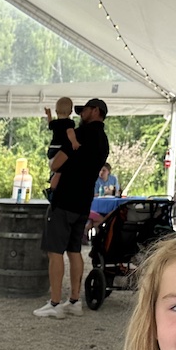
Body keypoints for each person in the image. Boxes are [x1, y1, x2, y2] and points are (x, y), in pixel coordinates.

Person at [35, 98, 110, 319]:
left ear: (95, 111)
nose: (80, 114)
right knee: (74, 250)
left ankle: (55, 303)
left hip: (65, 199)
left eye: (84, 110)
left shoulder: (79, 134)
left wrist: (56, 162)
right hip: (83, 201)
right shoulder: (104, 140)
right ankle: (75, 301)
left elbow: (56, 163)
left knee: (55, 251)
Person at [43, 97, 78, 195]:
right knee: (60, 172)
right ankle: (52, 190)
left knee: (56, 171)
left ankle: (52, 186)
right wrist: (74, 142)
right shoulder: (70, 123)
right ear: (71, 112)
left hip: (52, 149)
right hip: (61, 149)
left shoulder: (55, 123)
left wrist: (49, 114)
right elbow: (70, 132)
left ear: (56, 111)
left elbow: (50, 124)